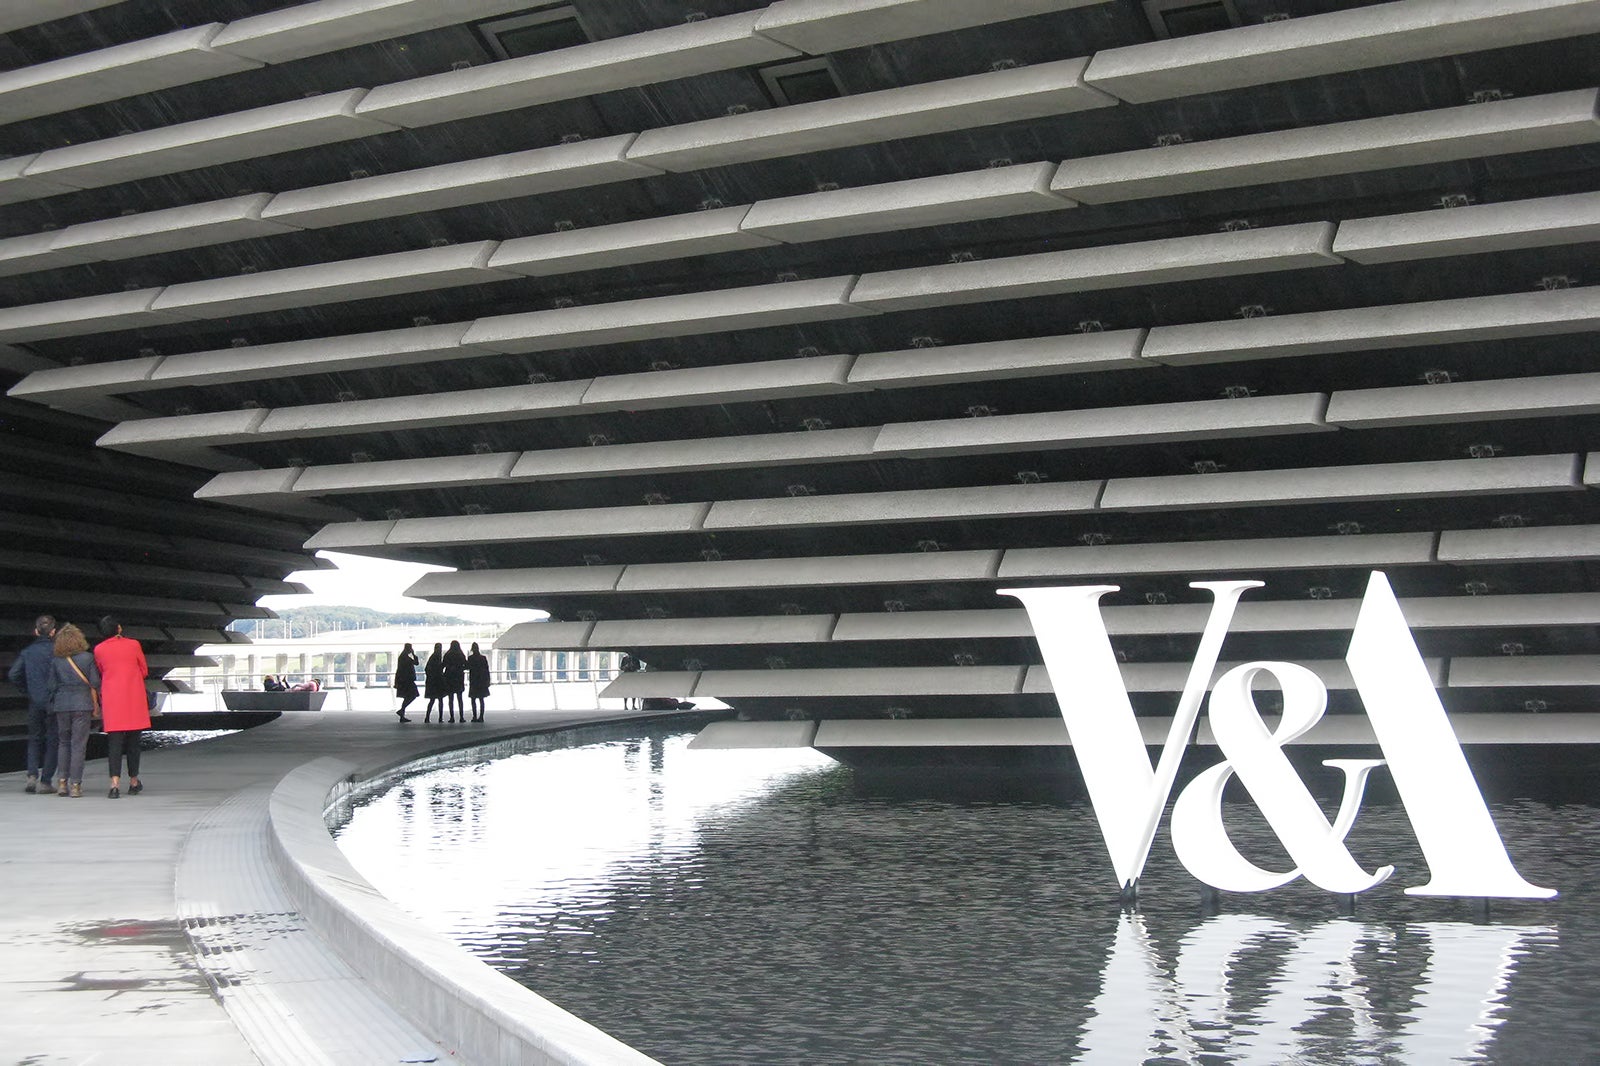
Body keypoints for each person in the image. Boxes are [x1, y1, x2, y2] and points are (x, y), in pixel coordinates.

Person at [95, 614, 149, 799]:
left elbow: (101, 671)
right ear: (119, 628)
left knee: (114, 743)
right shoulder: (134, 645)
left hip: (112, 699)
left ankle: (114, 784)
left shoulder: (99, 649)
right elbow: (144, 670)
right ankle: (134, 781)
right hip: (133, 697)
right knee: (134, 742)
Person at [44, 623, 99, 798]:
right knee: (78, 746)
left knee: (63, 743)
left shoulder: (56, 661)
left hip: (62, 705)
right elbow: (96, 683)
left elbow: (51, 686)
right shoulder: (87, 658)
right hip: (82, 705)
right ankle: (75, 785)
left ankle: (61, 783)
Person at [7, 613, 59, 794]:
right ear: (53, 632)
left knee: (34, 739)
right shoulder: (58, 652)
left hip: (34, 701)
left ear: (36, 631)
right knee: (53, 741)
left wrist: (26, 690)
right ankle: (46, 781)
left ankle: (31, 775)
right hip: (54, 702)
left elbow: (13, 674)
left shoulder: (27, 652)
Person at [442, 640, 467, 723]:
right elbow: (466, 665)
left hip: (449, 678)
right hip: (459, 678)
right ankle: (461, 717)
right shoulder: (461, 654)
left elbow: (443, 665)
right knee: (460, 698)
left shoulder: (448, 654)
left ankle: (452, 717)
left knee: (450, 699)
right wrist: (459, 668)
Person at [394, 643, 419, 722]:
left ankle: (402, 713)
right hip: (407, 680)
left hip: (404, 680)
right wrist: (414, 654)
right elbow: (416, 663)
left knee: (407, 696)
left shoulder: (403, 656)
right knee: (412, 695)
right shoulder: (405, 657)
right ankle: (402, 711)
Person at [466, 642, 490, 722]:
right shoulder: (483, 658)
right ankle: (481, 716)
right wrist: (488, 680)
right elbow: (487, 670)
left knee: (473, 699)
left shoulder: (470, 658)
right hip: (482, 681)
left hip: (474, 681)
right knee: (481, 699)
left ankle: (474, 716)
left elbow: (467, 667)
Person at [423, 643, 444, 723]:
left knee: (432, 700)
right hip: (437, 681)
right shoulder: (437, 657)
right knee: (440, 700)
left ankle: (427, 717)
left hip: (432, 682)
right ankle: (440, 717)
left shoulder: (433, 657)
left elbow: (427, 669)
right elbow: (438, 668)